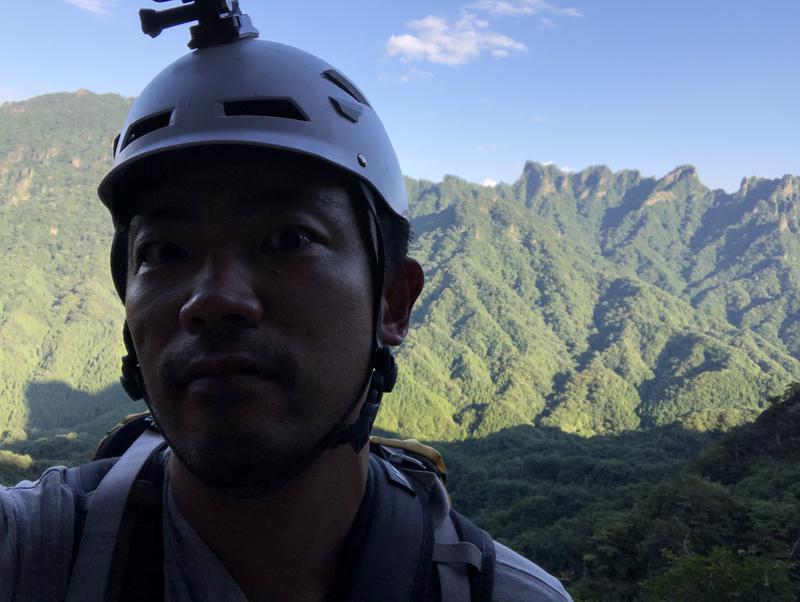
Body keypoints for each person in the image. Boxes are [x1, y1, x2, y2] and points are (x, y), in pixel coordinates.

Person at [1, 2, 572, 600]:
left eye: (289, 239)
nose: (213, 299)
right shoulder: (29, 554)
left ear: (393, 303)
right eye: (165, 251)